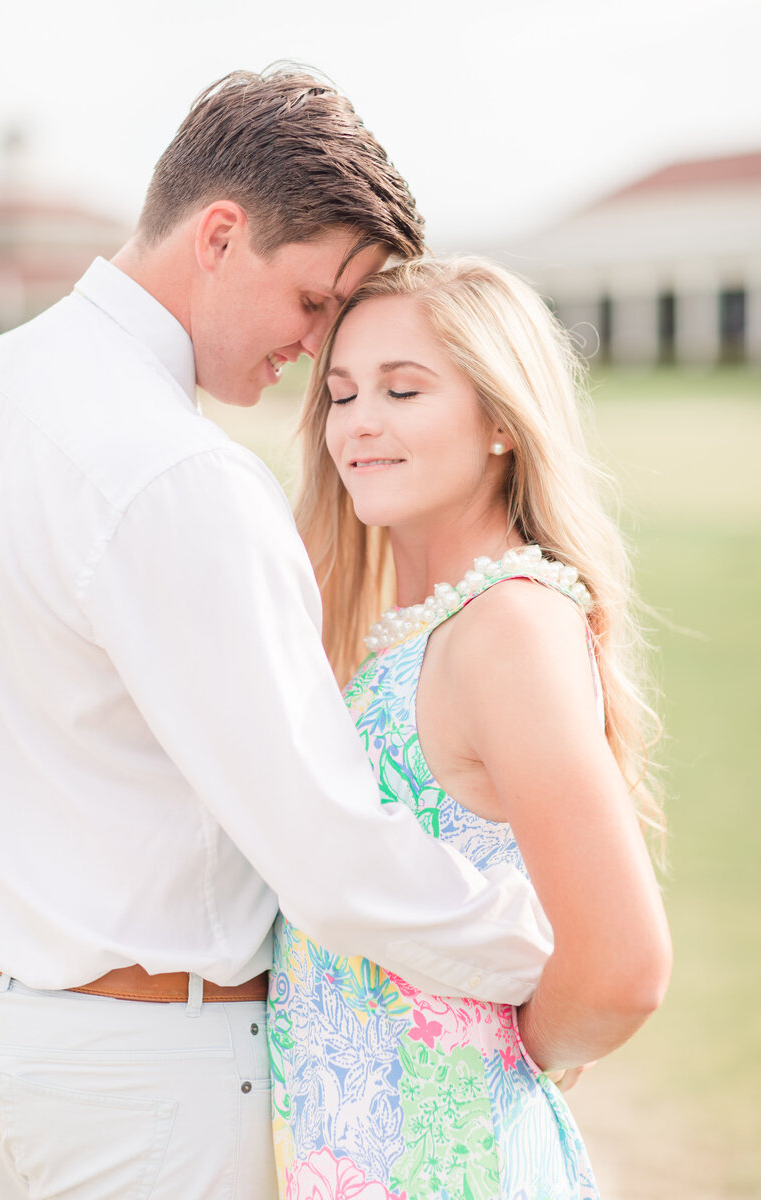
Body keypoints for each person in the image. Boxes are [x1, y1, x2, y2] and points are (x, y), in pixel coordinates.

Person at [0, 72, 559, 1199]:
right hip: (148, 1075)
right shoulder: (181, 475)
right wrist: (538, 955)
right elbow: (329, 856)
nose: (315, 347)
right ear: (222, 235)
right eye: (313, 299)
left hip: (9, 1045)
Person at [269, 256, 673, 1199]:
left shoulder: (510, 627)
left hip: (453, 1167)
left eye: (403, 389)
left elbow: (623, 965)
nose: (359, 421)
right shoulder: (413, 634)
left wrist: (494, 1052)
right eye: (340, 393)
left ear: (501, 419)